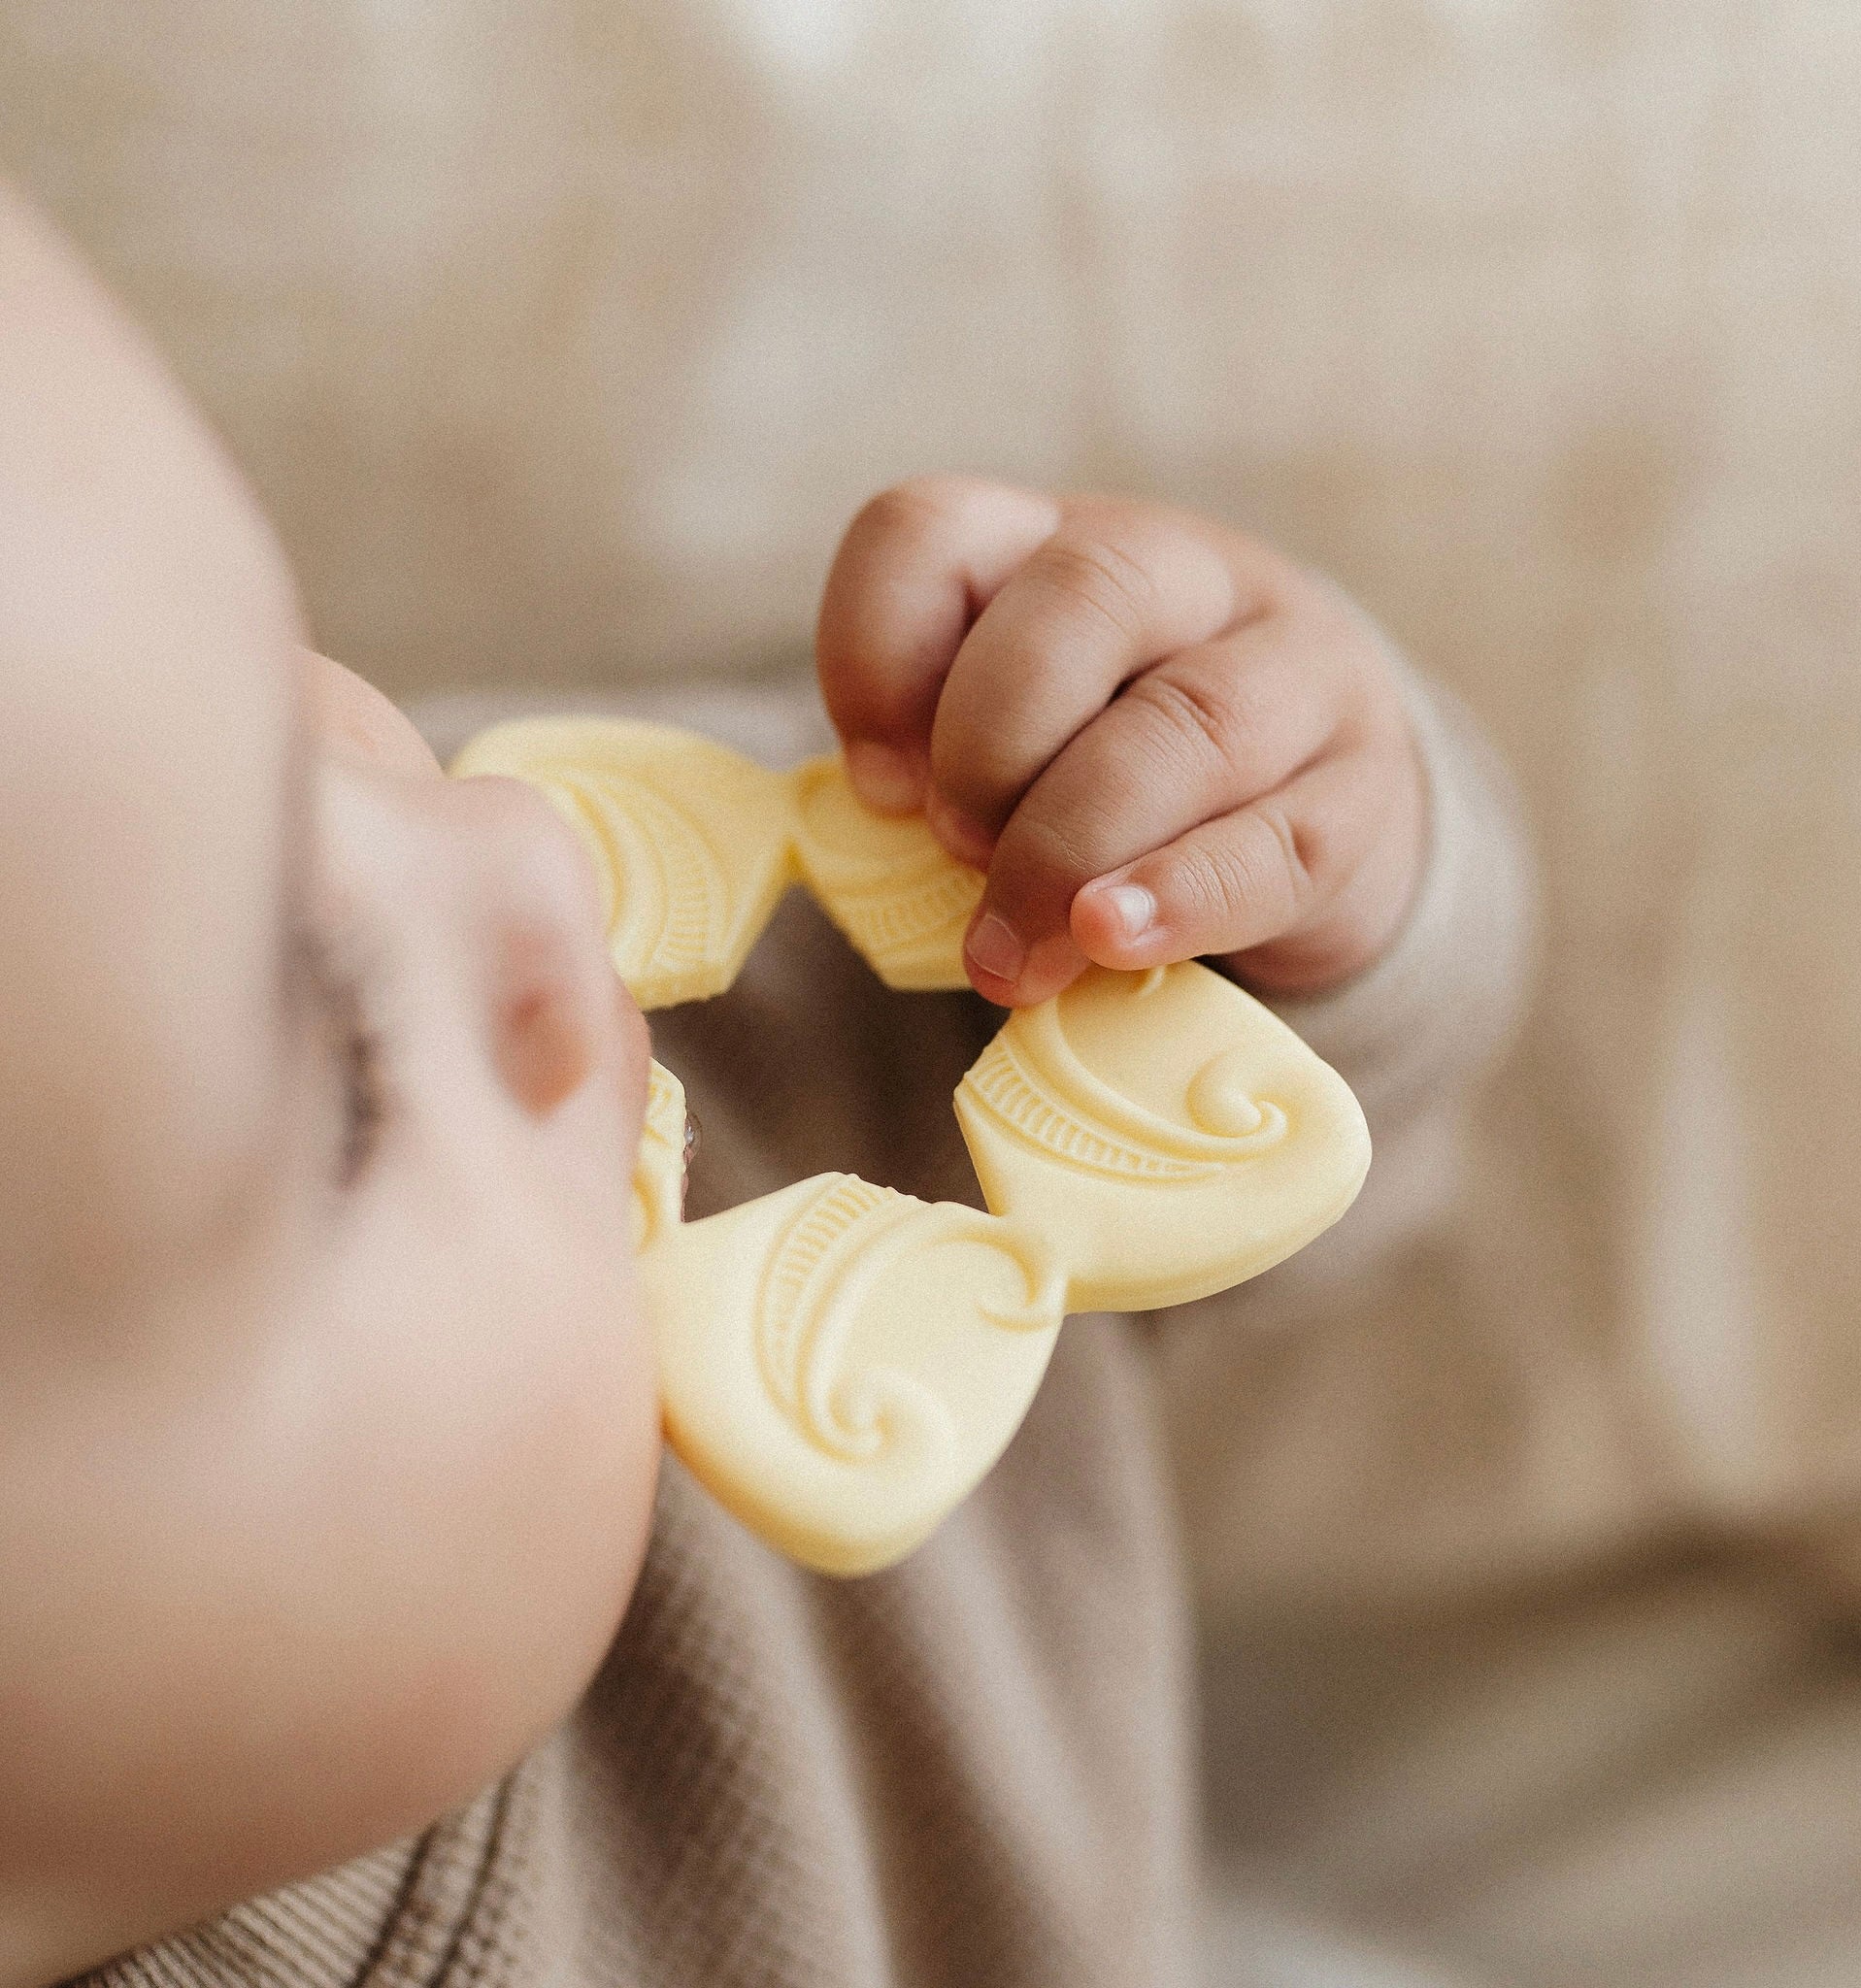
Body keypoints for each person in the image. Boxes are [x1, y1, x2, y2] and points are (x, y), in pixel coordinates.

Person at [0, 183, 1530, 1988]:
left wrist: (1255, 825)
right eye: (341, 1078)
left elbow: (1261, 1140)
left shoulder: (673, 1017)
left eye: (275, 688)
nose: (500, 833)